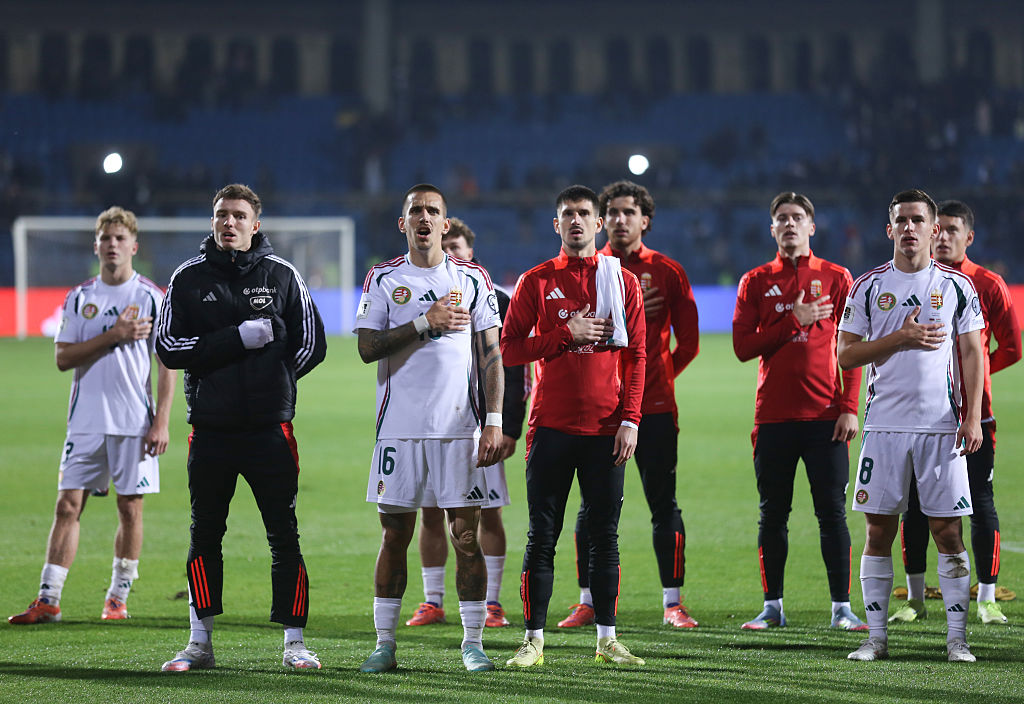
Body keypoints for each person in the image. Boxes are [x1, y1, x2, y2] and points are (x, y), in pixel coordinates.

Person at [155, 184, 327, 671]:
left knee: (284, 535)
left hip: (271, 430)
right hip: (210, 429)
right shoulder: (188, 279)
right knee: (204, 533)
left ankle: (295, 643)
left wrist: (273, 379)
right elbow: (168, 347)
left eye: (238, 216)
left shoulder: (282, 275)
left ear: (256, 224)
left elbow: (312, 342)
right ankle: (199, 642)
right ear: (212, 222)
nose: (228, 223)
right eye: (220, 215)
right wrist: (235, 340)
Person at [355, 185, 504, 674]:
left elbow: (491, 356)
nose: (423, 217)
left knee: (466, 535)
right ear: (403, 224)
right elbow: (368, 347)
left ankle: (473, 642)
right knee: (394, 535)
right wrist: (425, 321)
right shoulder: (383, 277)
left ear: (445, 224)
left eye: (432, 211)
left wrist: (493, 422)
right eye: (414, 211)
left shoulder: (473, 278)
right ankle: (384, 644)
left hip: (459, 430)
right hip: (398, 431)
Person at [501, 184, 647, 667]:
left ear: (598, 223)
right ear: (556, 225)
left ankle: (606, 639)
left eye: (585, 214)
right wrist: (566, 333)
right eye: (568, 215)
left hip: (607, 429)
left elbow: (637, 355)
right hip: (552, 426)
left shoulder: (619, 280)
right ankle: (533, 642)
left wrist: (630, 418)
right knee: (542, 534)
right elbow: (509, 350)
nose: (577, 221)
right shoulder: (536, 282)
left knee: (606, 536)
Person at [8, 207, 175, 625]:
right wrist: (114, 335)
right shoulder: (81, 297)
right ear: (96, 246)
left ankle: (117, 598)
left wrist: (162, 421)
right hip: (84, 421)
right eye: (106, 239)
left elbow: (167, 364)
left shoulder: (151, 297)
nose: (113, 246)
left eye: (121, 239)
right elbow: (63, 358)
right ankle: (48, 600)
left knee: (130, 508)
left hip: (134, 421)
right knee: (67, 506)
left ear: (134, 246)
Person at [838, 189, 985, 663]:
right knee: (878, 532)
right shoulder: (866, 287)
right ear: (889, 229)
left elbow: (971, 352)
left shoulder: (958, 286)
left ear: (933, 229)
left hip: (941, 430)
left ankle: (957, 639)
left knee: (948, 532)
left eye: (917, 220)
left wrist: (971, 415)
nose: (909, 228)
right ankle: (876, 638)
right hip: (882, 427)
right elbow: (844, 355)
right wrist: (901, 336)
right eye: (900, 220)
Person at [559, 180, 700, 630]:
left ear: (645, 220)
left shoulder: (667, 272)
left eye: (628, 212)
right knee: (591, 509)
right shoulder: (587, 270)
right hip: (598, 410)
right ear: (603, 221)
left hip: (653, 409)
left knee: (663, 503)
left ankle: (673, 603)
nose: (620, 219)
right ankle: (586, 602)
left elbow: (691, 342)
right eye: (613, 212)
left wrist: (654, 386)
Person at [732, 191, 867, 632]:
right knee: (773, 513)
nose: (789, 225)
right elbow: (742, 347)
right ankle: (772, 606)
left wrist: (849, 407)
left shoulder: (837, 276)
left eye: (797, 218)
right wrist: (795, 319)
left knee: (831, 513)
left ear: (812, 226)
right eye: (781, 219)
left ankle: (841, 608)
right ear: (772, 230)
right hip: (772, 418)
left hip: (826, 416)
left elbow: (852, 350)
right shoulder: (755, 281)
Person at [888, 199, 1020, 626]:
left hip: (973, 417)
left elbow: (1012, 346)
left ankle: (986, 597)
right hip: (920, 416)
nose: (942, 236)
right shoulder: (916, 280)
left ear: (969, 237)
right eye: (937, 228)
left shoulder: (987, 283)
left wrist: (973, 379)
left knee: (980, 503)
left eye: (951, 230)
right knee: (914, 507)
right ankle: (914, 597)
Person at [406, 218, 527, 630]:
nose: (452, 253)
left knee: (487, 513)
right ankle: (432, 600)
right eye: (446, 246)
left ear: (470, 251)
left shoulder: (495, 300)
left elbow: (511, 367)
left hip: (479, 426)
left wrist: (508, 425)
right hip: (427, 426)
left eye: (457, 246)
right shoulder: (422, 298)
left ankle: (492, 603)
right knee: (429, 512)